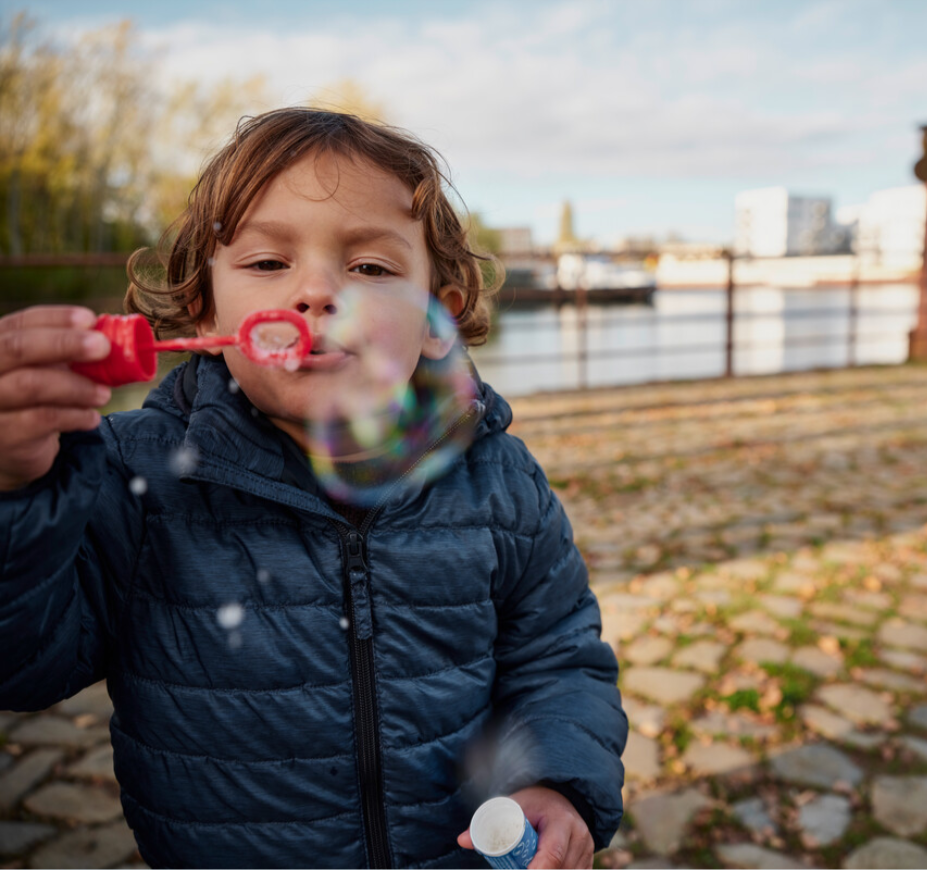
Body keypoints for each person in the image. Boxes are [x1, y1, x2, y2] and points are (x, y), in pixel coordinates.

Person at [0, 108, 627, 869]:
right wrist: (16, 493)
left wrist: (557, 783)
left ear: (439, 323)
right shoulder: (132, 475)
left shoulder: (496, 476)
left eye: (370, 268)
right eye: (268, 263)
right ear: (203, 307)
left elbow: (557, 656)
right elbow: (23, 664)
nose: (317, 291)